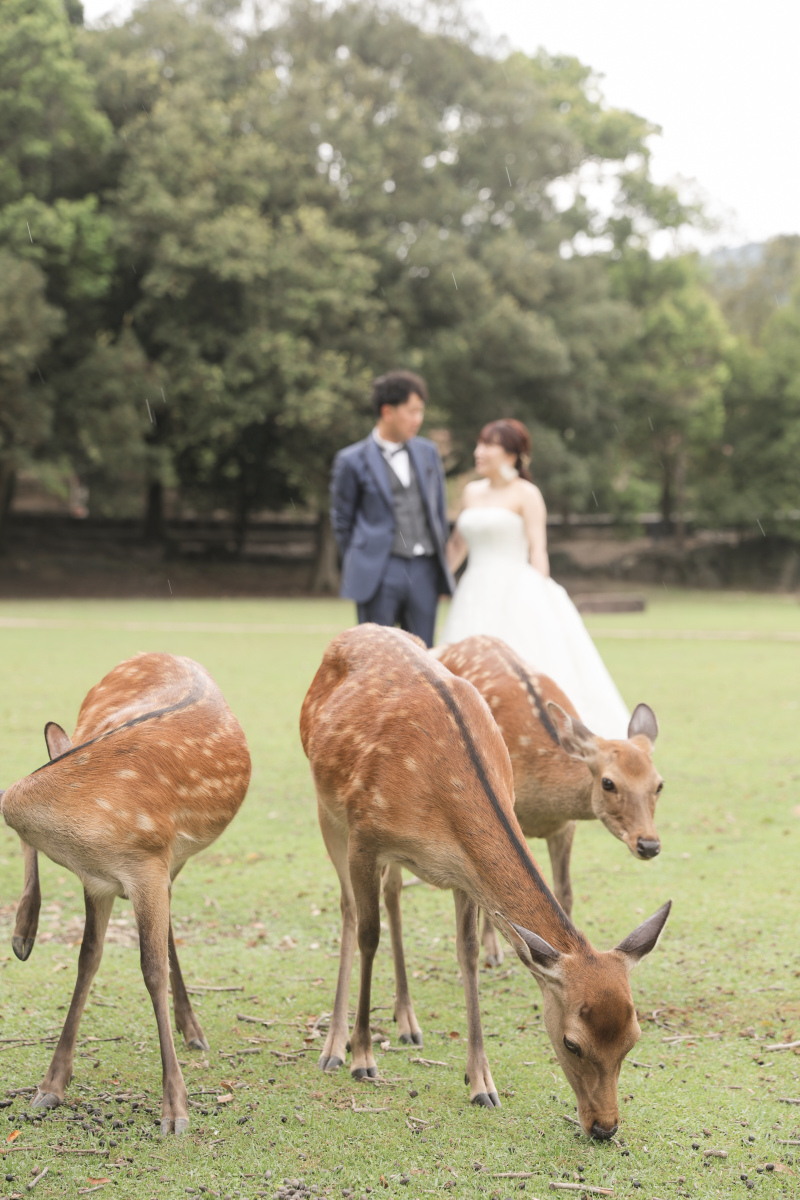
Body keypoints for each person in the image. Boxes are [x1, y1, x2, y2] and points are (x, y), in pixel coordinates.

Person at [440, 418, 630, 738]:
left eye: (488, 445)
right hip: (473, 591)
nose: (478, 451)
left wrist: (539, 591)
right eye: (479, 443)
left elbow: (538, 550)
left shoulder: (527, 494)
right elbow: (457, 545)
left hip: (514, 589)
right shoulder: (471, 492)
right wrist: (439, 581)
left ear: (512, 453)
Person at [330, 370, 455, 648]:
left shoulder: (428, 452)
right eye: (412, 411)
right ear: (387, 411)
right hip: (378, 571)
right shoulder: (350, 460)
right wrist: (363, 561)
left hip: (425, 569)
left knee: (424, 660)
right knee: (377, 658)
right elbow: (342, 521)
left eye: (421, 411)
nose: (418, 419)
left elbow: (437, 510)